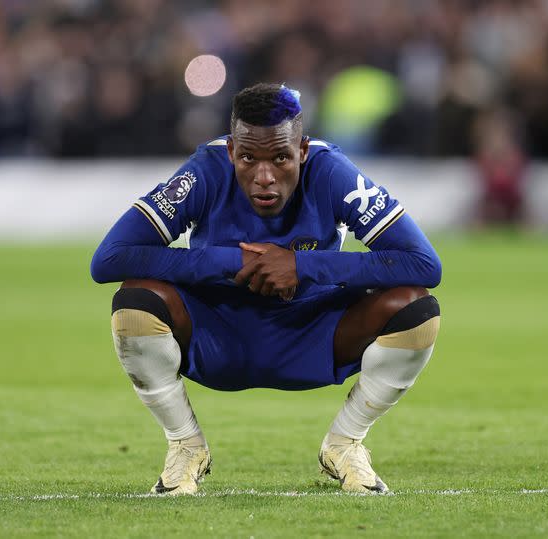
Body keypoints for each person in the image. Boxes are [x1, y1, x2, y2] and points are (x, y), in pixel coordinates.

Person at [90, 83, 442, 495]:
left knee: (415, 309)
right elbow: (108, 259)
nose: (264, 177)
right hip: (218, 331)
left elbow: (423, 263)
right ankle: (185, 446)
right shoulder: (204, 171)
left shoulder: (331, 172)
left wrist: (302, 265)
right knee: (135, 303)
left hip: (311, 330)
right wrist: (228, 261)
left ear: (304, 151)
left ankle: (345, 444)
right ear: (230, 152)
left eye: (280, 158)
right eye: (247, 158)